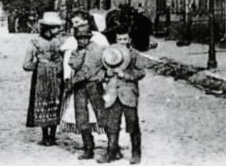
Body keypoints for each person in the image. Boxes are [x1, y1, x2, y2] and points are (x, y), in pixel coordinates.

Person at [98, 31, 146, 164]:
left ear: (130, 39)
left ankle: (136, 153)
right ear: (116, 40)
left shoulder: (135, 54)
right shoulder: (109, 53)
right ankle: (111, 152)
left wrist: (125, 75)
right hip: (112, 93)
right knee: (112, 124)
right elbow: (101, 72)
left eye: (125, 38)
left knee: (132, 123)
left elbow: (141, 73)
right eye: (120, 39)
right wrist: (107, 74)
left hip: (128, 94)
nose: (123, 41)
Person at [23, 12, 65, 146]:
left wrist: (39, 64)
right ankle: (51, 136)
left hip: (41, 75)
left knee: (41, 103)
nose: (58, 30)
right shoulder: (60, 42)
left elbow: (26, 65)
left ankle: (45, 136)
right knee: (55, 102)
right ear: (48, 28)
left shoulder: (34, 42)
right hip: (57, 75)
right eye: (55, 27)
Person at [68, 22, 107, 160]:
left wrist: (102, 73)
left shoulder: (97, 49)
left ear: (89, 37)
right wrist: (81, 53)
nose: (82, 40)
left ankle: (113, 146)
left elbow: (105, 63)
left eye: (85, 38)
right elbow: (73, 64)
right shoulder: (76, 51)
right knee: (81, 116)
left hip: (94, 84)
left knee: (101, 113)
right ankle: (88, 147)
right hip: (79, 85)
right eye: (79, 38)